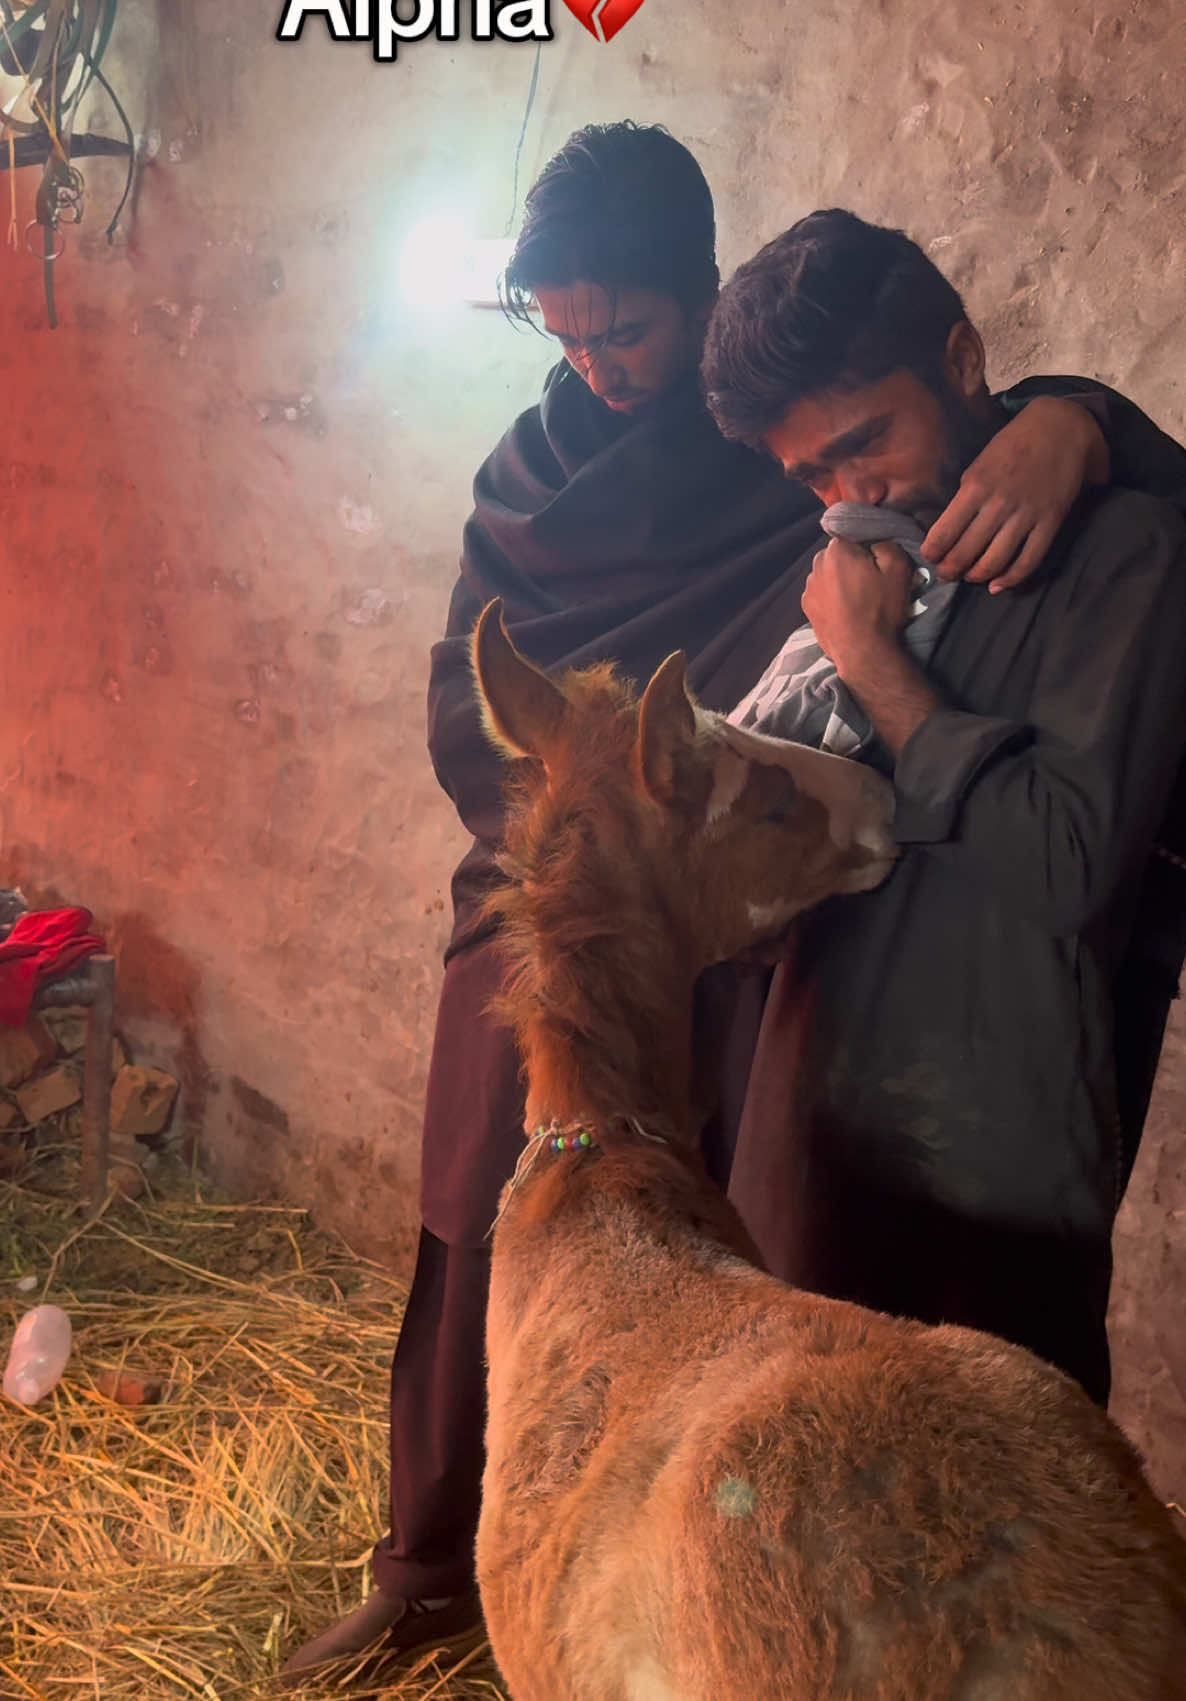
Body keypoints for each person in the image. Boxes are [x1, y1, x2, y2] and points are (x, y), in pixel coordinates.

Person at [281, 126, 1186, 1679]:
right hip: (690, 990)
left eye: (620, 326)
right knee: (592, 1317)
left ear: (687, 299)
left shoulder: (965, 523)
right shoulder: (741, 504)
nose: (843, 491)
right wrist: (601, 851)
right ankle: (424, 1550)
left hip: (911, 1066)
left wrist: (1076, 419)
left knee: (947, 1502)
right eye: (560, 333)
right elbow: (525, 700)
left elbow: (1046, 838)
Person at [702, 207, 1186, 1413]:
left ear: (963, 361)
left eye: (865, 443)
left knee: (981, 1525)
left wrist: (876, 666)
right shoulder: (855, 563)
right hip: (806, 1123)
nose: (848, 488)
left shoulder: (1120, 551)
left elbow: (1068, 867)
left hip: (988, 1166)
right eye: (810, 473)